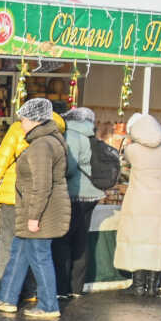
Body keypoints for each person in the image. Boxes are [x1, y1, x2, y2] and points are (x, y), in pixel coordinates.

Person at [0, 98, 68, 320]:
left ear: (34, 120)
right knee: (19, 251)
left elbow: (41, 185)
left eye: (23, 120)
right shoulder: (51, 140)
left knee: (39, 255)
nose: (20, 124)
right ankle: (7, 298)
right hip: (30, 207)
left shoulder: (42, 146)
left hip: (38, 210)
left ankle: (49, 305)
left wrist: (34, 217)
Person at [114, 112, 161, 298]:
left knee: (137, 242)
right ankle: (152, 287)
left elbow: (122, 158)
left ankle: (137, 285)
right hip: (159, 201)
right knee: (155, 244)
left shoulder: (132, 150)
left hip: (137, 201)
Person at [54, 106, 105, 299]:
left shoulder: (71, 135)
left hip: (74, 193)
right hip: (92, 194)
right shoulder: (91, 134)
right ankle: (77, 287)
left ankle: (62, 289)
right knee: (81, 240)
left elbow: (69, 167)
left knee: (64, 241)